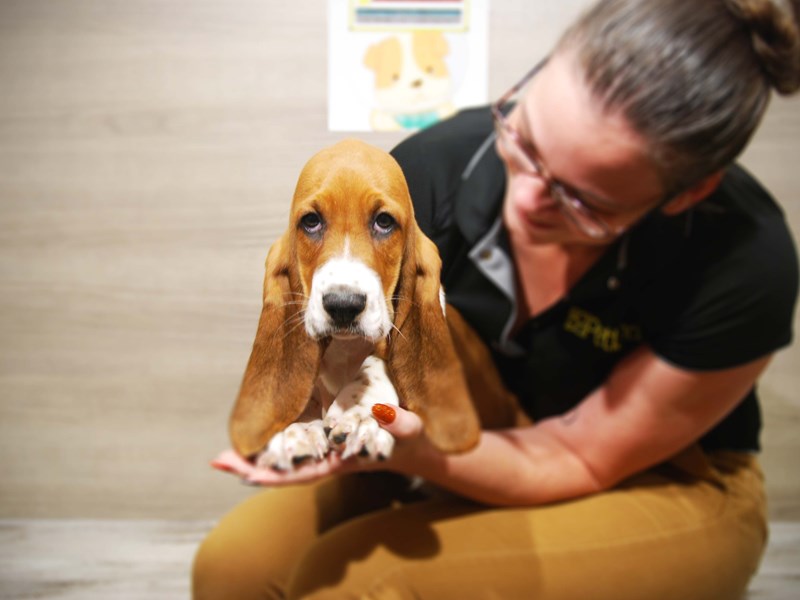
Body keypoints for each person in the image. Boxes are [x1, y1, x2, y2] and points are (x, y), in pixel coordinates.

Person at [193, 0, 800, 598]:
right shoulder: (427, 176)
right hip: (454, 429)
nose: (525, 197)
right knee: (233, 572)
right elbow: (355, 352)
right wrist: (338, 423)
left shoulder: (745, 258)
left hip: (657, 474)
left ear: (686, 194)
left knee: (366, 586)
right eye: (525, 139)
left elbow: (580, 458)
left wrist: (419, 455)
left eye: (582, 200)